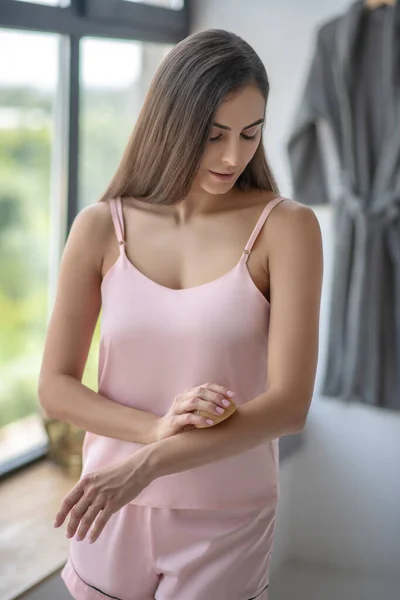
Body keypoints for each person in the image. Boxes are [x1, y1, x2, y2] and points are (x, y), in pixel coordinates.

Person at [38, 28, 323, 600]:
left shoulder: (287, 228)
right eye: (213, 134)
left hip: (227, 511)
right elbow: (55, 388)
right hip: (109, 503)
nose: (232, 156)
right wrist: (152, 432)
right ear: (172, 123)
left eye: (250, 134)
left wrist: (151, 462)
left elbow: (289, 406)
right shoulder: (101, 226)